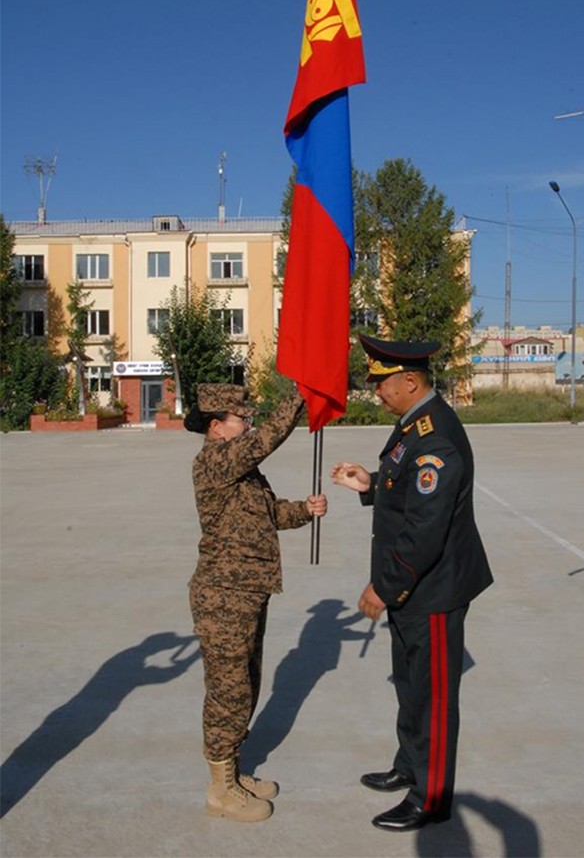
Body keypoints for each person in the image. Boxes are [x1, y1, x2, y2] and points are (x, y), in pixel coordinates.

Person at [331, 334, 493, 833]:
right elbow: (405, 486)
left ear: (409, 381)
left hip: (433, 589)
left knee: (434, 697)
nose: (376, 392)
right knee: (410, 685)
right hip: (415, 588)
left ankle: (432, 796)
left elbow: (426, 528)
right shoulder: (414, 425)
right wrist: (370, 483)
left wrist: (384, 586)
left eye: (381, 384)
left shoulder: (435, 435)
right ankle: (410, 765)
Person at [185, 384, 327, 823]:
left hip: (248, 591)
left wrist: (304, 510)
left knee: (245, 686)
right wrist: (302, 394)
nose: (248, 425)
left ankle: (233, 772)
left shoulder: (241, 470)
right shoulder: (215, 460)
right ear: (216, 426)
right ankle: (219, 790)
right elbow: (268, 438)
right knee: (227, 693)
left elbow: (269, 514)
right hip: (223, 595)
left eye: (248, 418)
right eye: (241, 419)